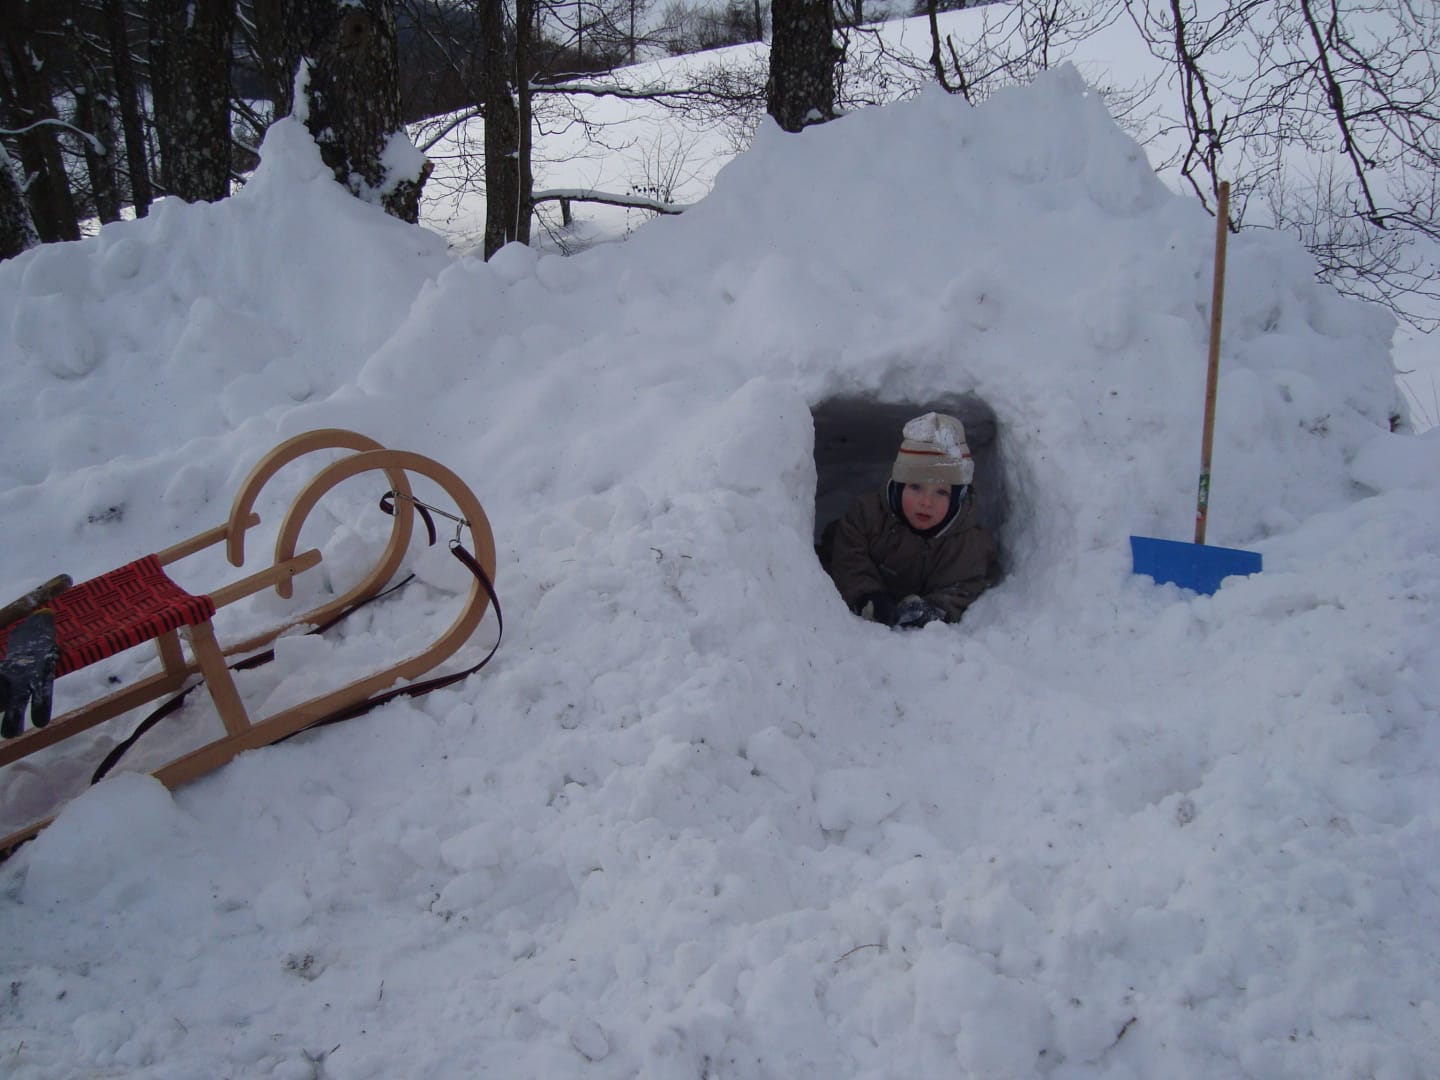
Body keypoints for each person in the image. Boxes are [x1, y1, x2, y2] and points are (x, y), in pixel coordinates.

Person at [826, 412, 996, 628]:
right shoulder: (867, 516)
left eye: (941, 492)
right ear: (898, 487)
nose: (926, 502)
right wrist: (868, 595)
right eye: (916, 487)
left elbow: (967, 585)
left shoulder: (968, 544)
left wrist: (935, 608)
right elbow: (848, 557)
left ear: (957, 500)